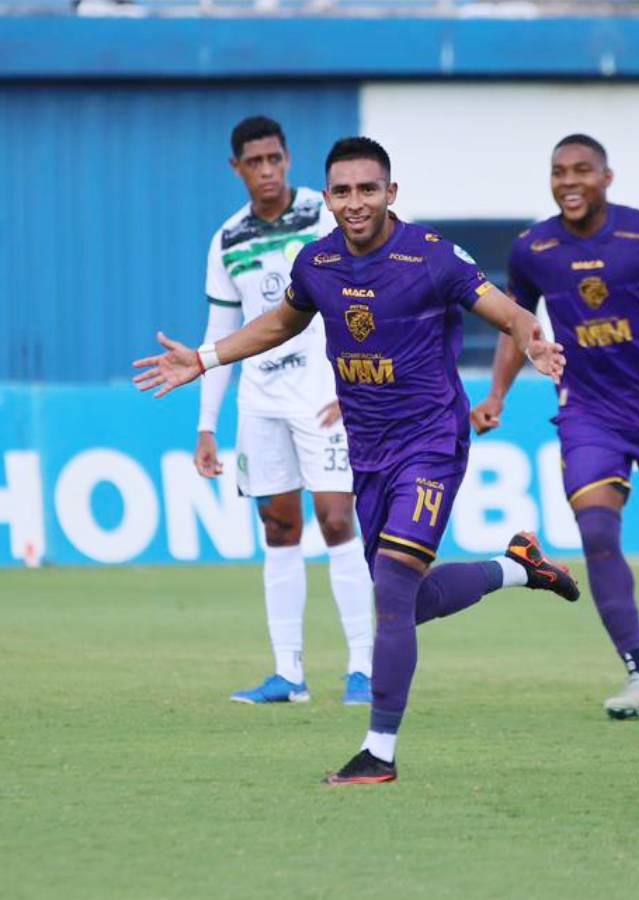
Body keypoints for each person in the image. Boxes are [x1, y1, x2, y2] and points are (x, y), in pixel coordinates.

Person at [135, 136, 579, 785]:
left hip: (431, 442)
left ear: (390, 193)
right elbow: (283, 323)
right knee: (407, 597)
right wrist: (205, 359)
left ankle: (379, 751)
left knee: (393, 588)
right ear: (330, 196)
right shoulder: (316, 262)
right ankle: (518, 569)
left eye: (367, 189)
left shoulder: (430, 258)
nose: (354, 202)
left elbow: (508, 311)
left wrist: (532, 344)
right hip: (367, 451)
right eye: (342, 190)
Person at [470, 134, 639, 720]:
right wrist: (496, 393)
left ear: (607, 177)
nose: (569, 181)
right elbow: (516, 324)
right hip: (588, 410)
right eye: (558, 172)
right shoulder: (533, 247)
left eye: (582, 171)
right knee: (597, 532)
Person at [199, 116, 374, 706]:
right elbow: (222, 331)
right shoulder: (227, 240)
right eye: (256, 162)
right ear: (237, 169)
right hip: (261, 402)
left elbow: (361, 296)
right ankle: (289, 675)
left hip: (326, 396)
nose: (268, 171)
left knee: (335, 519)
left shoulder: (324, 214)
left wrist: (354, 381)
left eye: (276, 159)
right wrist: (206, 426)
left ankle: (363, 669)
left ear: (288, 158)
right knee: (279, 528)